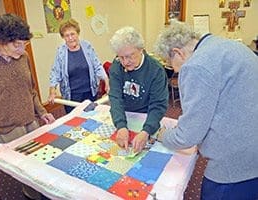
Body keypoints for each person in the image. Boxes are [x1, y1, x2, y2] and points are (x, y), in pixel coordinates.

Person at [155, 21, 258, 200]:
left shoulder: (195, 66)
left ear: (177, 53)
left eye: (171, 64)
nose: (176, 71)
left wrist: (161, 134)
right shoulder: (228, 45)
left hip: (234, 165)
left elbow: (188, 136)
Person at [0, 13, 55, 199]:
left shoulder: (23, 57)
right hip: (6, 129)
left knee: (41, 164)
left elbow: (31, 90)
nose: (22, 50)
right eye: (17, 44)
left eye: (25, 44)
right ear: (0, 40)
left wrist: (42, 112)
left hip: (31, 121)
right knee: (26, 173)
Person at [108, 26, 169, 153]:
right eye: (121, 57)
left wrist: (147, 130)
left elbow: (158, 105)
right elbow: (115, 98)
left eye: (130, 56)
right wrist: (120, 126)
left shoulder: (156, 70)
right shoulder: (116, 66)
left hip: (148, 116)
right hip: (124, 115)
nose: (125, 62)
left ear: (141, 50)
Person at [48, 18, 109, 113]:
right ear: (63, 37)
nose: (70, 38)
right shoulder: (61, 51)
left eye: (72, 34)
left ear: (78, 33)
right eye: (67, 36)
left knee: (91, 118)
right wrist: (52, 90)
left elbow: (97, 65)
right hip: (71, 96)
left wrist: (106, 81)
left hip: (90, 92)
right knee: (74, 122)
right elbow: (55, 72)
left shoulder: (87, 46)